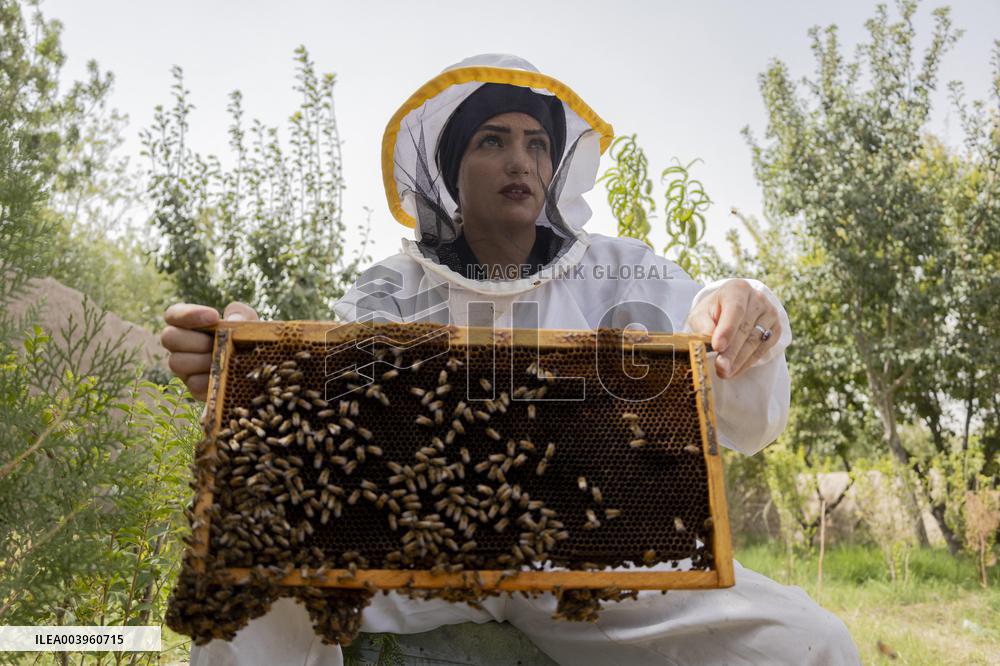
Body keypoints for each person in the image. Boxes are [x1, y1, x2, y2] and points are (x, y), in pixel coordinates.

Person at [162, 53, 860, 665]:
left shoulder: (622, 273)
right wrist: (250, 364)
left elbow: (747, 414)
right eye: (492, 141)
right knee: (247, 577)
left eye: (536, 144)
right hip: (417, 555)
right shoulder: (390, 290)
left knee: (811, 644)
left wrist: (745, 313)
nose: (520, 160)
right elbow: (325, 405)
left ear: (555, 169)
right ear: (449, 171)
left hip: (591, 561)